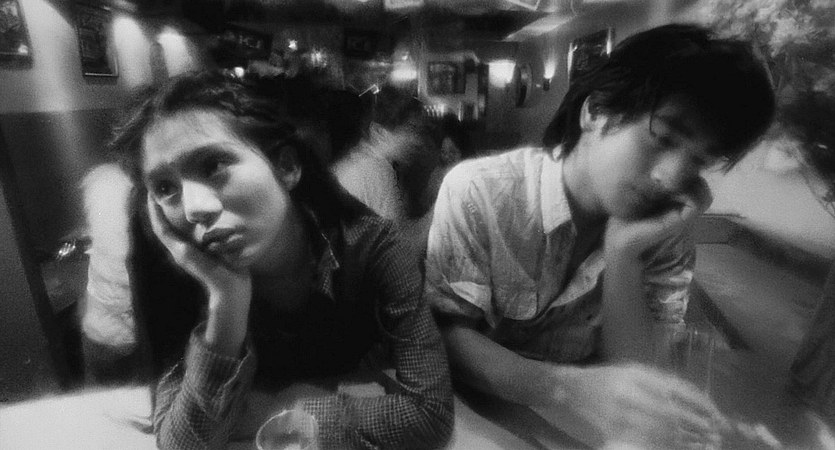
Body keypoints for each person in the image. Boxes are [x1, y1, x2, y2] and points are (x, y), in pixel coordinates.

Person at [424, 24, 775, 449]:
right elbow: (446, 337)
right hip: (471, 419)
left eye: (698, 162)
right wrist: (565, 386)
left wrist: (623, 254)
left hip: (576, 431)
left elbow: (642, 375)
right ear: (595, 111)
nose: (671, 177)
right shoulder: (484, 190)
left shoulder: (663, 233)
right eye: (663, 139)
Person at [85, 70, 453, 450]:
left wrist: (286, 409)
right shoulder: (184, 272)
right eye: (165, 188)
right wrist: (227, 302)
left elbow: (431, 415)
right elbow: (183, 444)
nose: (193, 208)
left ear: (286, 167)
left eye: (213, 165)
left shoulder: (373, 248)